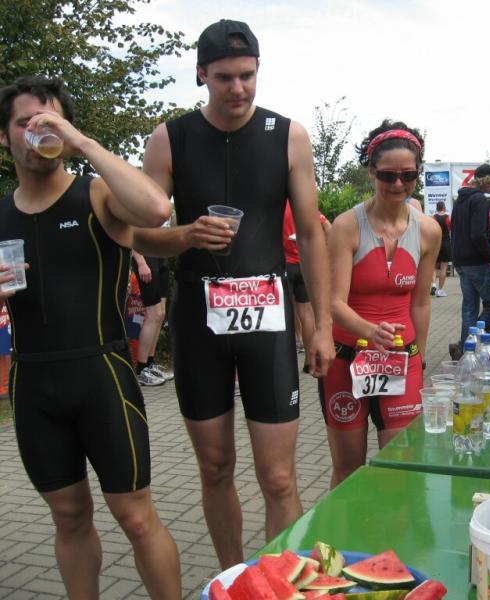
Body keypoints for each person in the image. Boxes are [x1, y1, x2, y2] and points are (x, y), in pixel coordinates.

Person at [133, 19, 335, 569]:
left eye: (247, 75)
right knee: (216, 468)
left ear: (258, 69)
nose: (238, 88)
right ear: (201, 74)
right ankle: (232, 580)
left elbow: (311, 233)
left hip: (267, 318)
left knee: (278, 476)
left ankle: (283, 583)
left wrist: (322, 327)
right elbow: (139, 233)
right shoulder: (169, 138)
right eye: (224, 77)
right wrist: (185, 235)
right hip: (199, 319)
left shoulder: (288, 135)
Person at [0, 76, 180, 599]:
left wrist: (81, 143)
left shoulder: (96, 194)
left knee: (135, 516)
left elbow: (156, 209)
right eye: (25, 122)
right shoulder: (1, 214)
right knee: (69, 516)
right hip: (34, 384)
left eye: (51, 121)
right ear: (3, 136)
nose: (39, 132)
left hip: (102, 377)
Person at [320, 120, 440, 487]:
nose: (398, 184)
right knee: (348, 470)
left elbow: (420, 302)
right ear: (372, 171)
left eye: (408, 175)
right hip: (347, 359)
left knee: (401, 471)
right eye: (388, 175)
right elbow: (333, 303)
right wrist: (370, 331)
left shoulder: (428, 231)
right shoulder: (347, 226)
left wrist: (418, 356)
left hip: (401, 360)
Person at [450, 163, 490, 357]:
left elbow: (458, 230)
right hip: (477, 262)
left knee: (469, 308)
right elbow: (478, 235)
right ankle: (472, 342)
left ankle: (465, 351)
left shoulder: (461, 199)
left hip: (461, 261)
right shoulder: (479, 199)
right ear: (487, 179)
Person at [283, 202, 331, 370]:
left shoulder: (279, 206)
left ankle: (285, 362)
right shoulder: (304, 206)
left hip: (285, 265)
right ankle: (310, 362)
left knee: (285, 314)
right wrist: (324, 249)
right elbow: (328, 227)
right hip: (305, 265)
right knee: (307, 314)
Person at [131, 250, 173, 385]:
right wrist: (141, 262)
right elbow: (131, 238)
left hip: (160, 255)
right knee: (153, 314)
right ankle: (141, 369)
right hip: (145, 256)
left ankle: (150, 364)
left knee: (160, 314)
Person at [430, 200, 451, 297]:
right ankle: (440, 290)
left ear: (437, 208)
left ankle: (433, 284)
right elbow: (451, 230)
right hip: (446, 243)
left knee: (433, 266)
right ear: (444, 208)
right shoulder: (448, 218)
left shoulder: (432, 218)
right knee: (443, 267)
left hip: (435, 243)